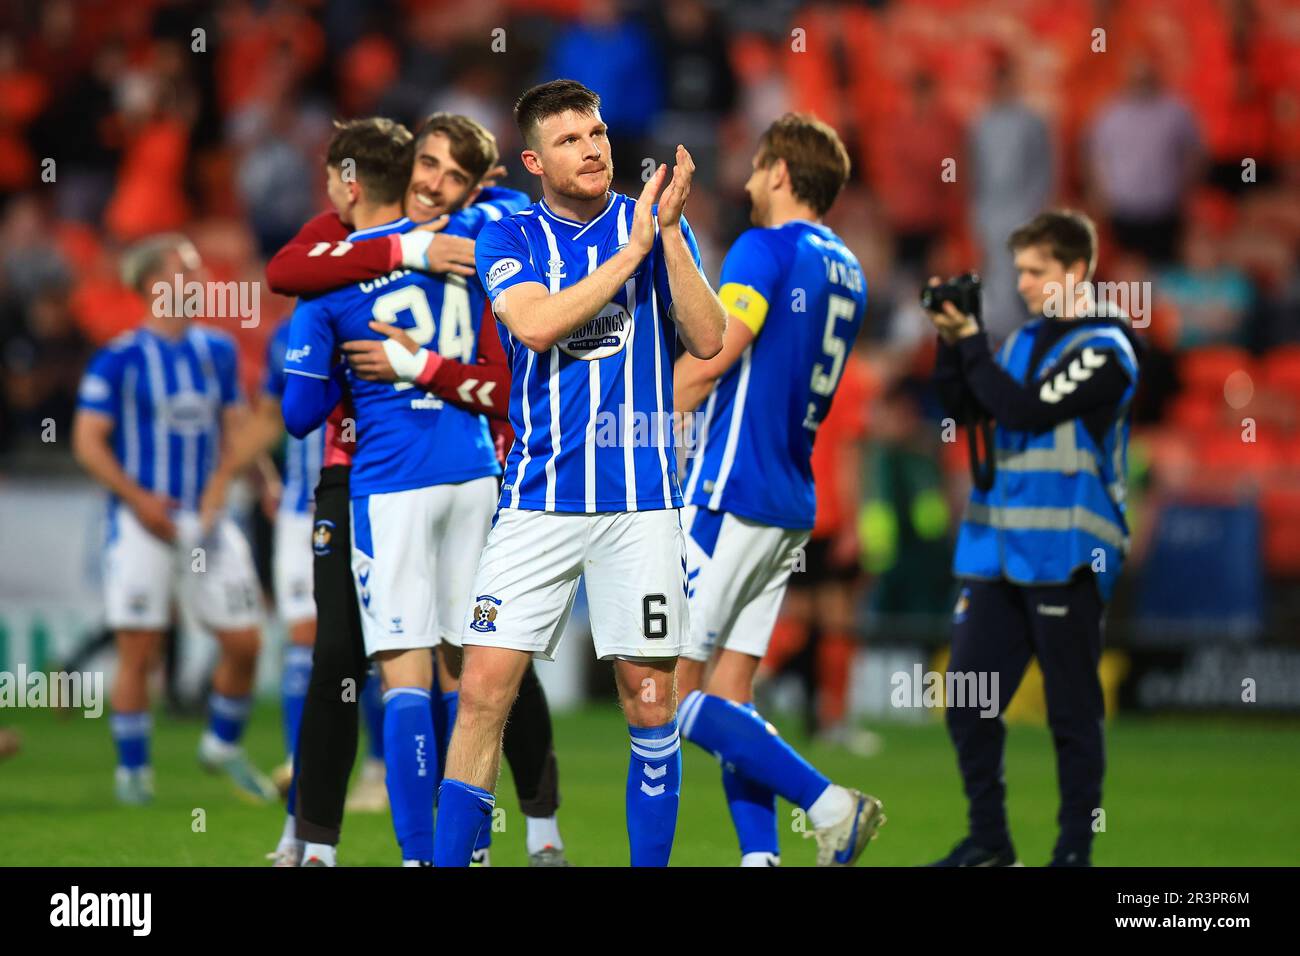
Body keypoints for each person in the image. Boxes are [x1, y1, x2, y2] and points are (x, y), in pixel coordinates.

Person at [433, 78, 726, 868]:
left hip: (640, 504)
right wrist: (633, 251)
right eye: (569, 140)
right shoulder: (513, 239)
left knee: (650, 698)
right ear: (534, 159)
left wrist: (664, 237)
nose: (592, 148)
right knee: (483, 693)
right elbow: (532, 325)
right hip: (539, 502)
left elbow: (709, 339)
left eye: (595, 133)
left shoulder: (657, 225)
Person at [262, 112, 569, 867]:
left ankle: (428, 852)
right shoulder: (467, 253)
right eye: (426, 165)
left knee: (412, 671)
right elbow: (505, 386)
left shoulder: (360, 260)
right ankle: (466, 846)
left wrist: (390, 370)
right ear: (406, 173)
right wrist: (418, 247)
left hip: (389, 478)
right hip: (470, 476)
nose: (433, 183)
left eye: (452, 175)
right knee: (468, 671)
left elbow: (298, 402)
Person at [672, 114, 882, 867]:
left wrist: (652, 403)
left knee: (663, 689)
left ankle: (830, 805)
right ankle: (761, 859)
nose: (752, 182)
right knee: (730, 695)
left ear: (783, 174)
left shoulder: (765, 248)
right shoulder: (848, 269)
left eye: (760, 168)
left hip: (733, 489)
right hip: (792, 499)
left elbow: (716, 355)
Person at [929, 210, 1142, 867]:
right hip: (998, 553)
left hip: (1066, 555)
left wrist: (972, 345)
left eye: (1034, 271)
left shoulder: (1107, 349)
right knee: (968, 702)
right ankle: (990, 841)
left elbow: (1024, 410)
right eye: (1017, 270)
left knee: (1071, 714)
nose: (1020, 283)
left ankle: (1074, 850)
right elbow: (966, 409)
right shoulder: (1021, 341)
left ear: (1075, 272)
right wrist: (949, 341)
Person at [71, 233, 276, 806]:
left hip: (208, 518)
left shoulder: (216, 350)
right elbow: (88, 443)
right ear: (153, 286)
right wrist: (137, 499)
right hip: (142, 522)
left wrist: (263, 479)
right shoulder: (120, 358)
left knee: (246, 642)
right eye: (187, 270)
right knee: (141, 650)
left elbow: (236, 427)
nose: (202, 279)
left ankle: (220, 744)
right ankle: (134, 774)